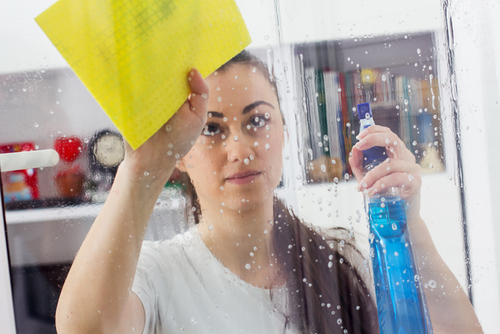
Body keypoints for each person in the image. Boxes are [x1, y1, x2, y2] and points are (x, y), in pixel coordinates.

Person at [55, 51, 482, 334]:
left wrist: (410, 226)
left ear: (285, 132)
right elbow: (82, 328)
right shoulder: (157, 273)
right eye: (211, 129)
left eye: (256, 121)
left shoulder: (343, 256)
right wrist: (141, 170)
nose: (239, 149)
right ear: (180, 154)